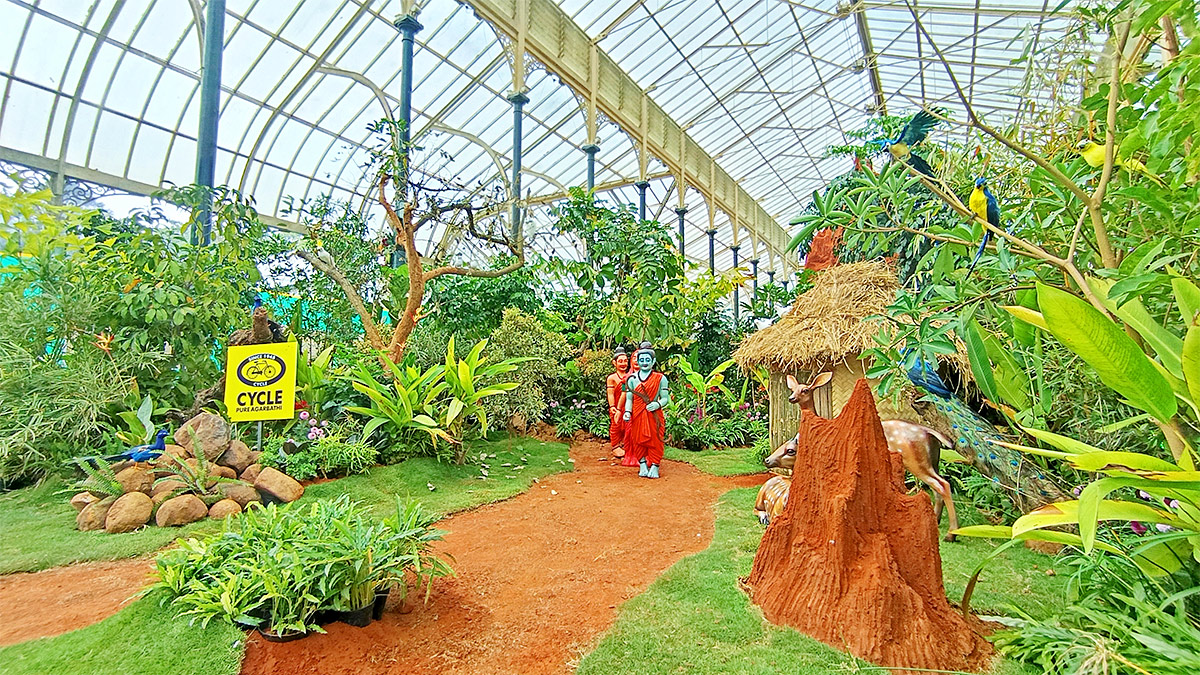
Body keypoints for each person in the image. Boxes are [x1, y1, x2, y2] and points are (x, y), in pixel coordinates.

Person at [623, 342, 670, 478]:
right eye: (641, 360)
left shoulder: (661, 378)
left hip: (654, 414)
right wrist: (627, 411)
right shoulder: (631, 378)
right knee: (637, 440)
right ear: (637, 361)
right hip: (637, 413)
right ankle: (642, 464)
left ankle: (655, 465)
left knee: (656, 439)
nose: (644, 363)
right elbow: (629, 398)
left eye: (647, 360)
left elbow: (665, 398)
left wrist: (658, 404)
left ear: (653, 361)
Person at [606, 347, 632, 461]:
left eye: (625, 361)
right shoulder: (612, 378)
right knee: (616, 425)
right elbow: (611, 394)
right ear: (614, 363)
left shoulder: (630, 377)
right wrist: (612, 406)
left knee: (628, 426)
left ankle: (626, 445)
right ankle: (615, 445)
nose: (623, 364)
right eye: (620, 361)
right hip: (616, 406)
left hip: (628, 406)